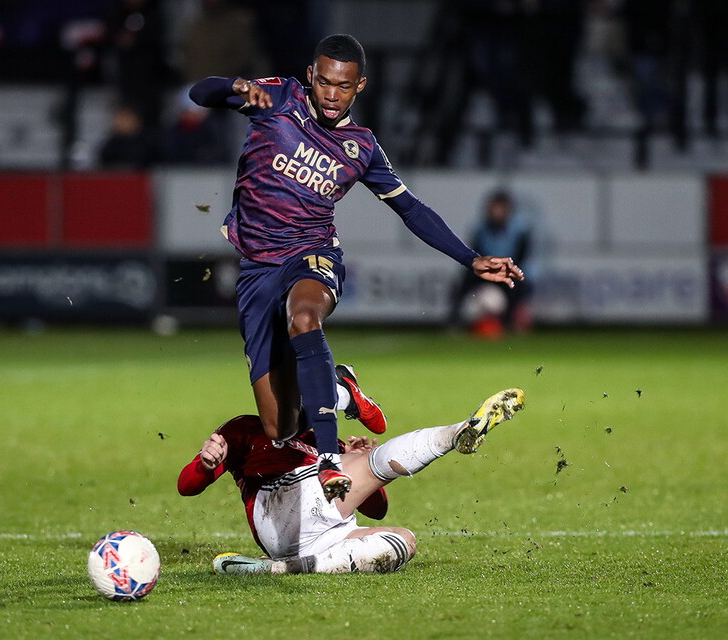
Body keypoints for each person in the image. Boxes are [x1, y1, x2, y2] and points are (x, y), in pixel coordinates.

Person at [187, 34, 525, 502]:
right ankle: (342, 390)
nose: (331, 94)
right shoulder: (278, 98)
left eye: (342, 87)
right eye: (324, 82)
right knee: (279, 427)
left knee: (304, 316)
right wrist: (238, 86)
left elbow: (412, 209)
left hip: (313, 255)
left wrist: (471, 258)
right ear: (311, 76)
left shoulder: (362, 147)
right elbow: (199, 93)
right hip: (257, 272)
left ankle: (328, 458)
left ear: (359, 86)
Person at [177, 388, 525, 575]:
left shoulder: (323, 442)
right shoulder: (244, 428)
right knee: (374, 463)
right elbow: (186, 485)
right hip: (278, 505)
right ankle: (457, 434)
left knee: (403, 541)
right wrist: (207, 465)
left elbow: (377, 511)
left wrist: (352, 461)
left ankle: (280, 570)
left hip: (315, 539)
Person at [448, 190, 532, 335]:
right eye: (495, 208)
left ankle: (509, 322)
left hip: (507, 270)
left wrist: (504, 267)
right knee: (464, 281)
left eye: (501, 209)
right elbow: (475, 252)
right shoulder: (480, 230)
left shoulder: (519, 230)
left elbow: (521, 255)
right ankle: (454, 321)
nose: (497, 212)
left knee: (518, 284)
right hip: (486, 269)